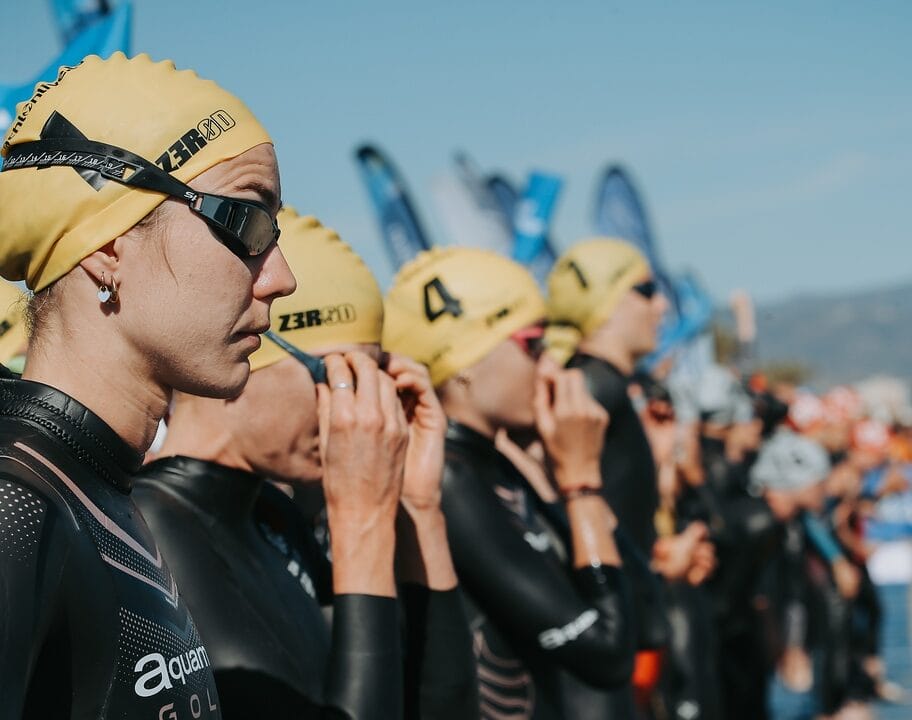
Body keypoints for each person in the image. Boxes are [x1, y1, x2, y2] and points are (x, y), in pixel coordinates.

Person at [0, 52, 296, 719]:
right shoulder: (15, 505)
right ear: (106, 246)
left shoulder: (99, 487)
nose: (280, 277)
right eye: (245, 221)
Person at [133, 210, 478, 719]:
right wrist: (361, 519)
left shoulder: (271, 512)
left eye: (379, 375)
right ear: (249, 354)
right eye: (343, 375)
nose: (365, 409)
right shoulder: (147, 530)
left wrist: (419, 508)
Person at [384, 247, 635, 720]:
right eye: (532, 344)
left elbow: (648, 617)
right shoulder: (447, 478)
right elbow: (607, 652)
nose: (550, 368)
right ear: (465, 362)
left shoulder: (498, 465)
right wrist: (582, 482)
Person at [547, 238, 715, 714]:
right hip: (607, 629)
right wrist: (656, 571)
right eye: (645, 289)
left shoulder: (609, 386)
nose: (662, 303)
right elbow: (561, 508)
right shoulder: (591, 386)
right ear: (605, 302)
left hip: (627, 618)